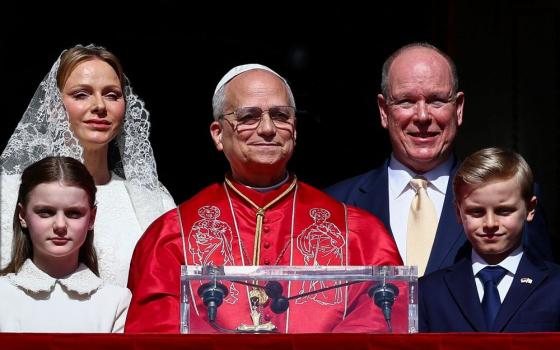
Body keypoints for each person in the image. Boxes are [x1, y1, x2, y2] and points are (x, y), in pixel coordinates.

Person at [125, 64, 402, 334]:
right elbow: (155, 330)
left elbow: (385, 317)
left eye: (281, 115)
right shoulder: (172, 235)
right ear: (218, 134)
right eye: (248, 117)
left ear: (295, 129)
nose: (268, 128)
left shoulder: (359, 234)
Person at [325, 42, 552, 276]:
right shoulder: (334, 205)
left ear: (459, 108)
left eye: (437, 101)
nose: (422, 116)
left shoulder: (515, 199)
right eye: (406, 101)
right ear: (384, 111)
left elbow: (538, 297)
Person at [0, 44, 175, 287]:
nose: (100, 106)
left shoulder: (152, 200)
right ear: (53, 106)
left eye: (112, 94)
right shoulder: (8, 193)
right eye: (81, 94)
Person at [419, 147, 560, 332]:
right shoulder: (429, 292)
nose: (490, 223)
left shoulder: (555, 285)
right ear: (458, 212)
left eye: (504, 211)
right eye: (476, 212)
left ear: (530, 208)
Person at [0, 156, 131, 332]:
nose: (60, 225)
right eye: (45, 212)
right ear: (22, 215)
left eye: (73, 213)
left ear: (92, 217)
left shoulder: (115, 302)